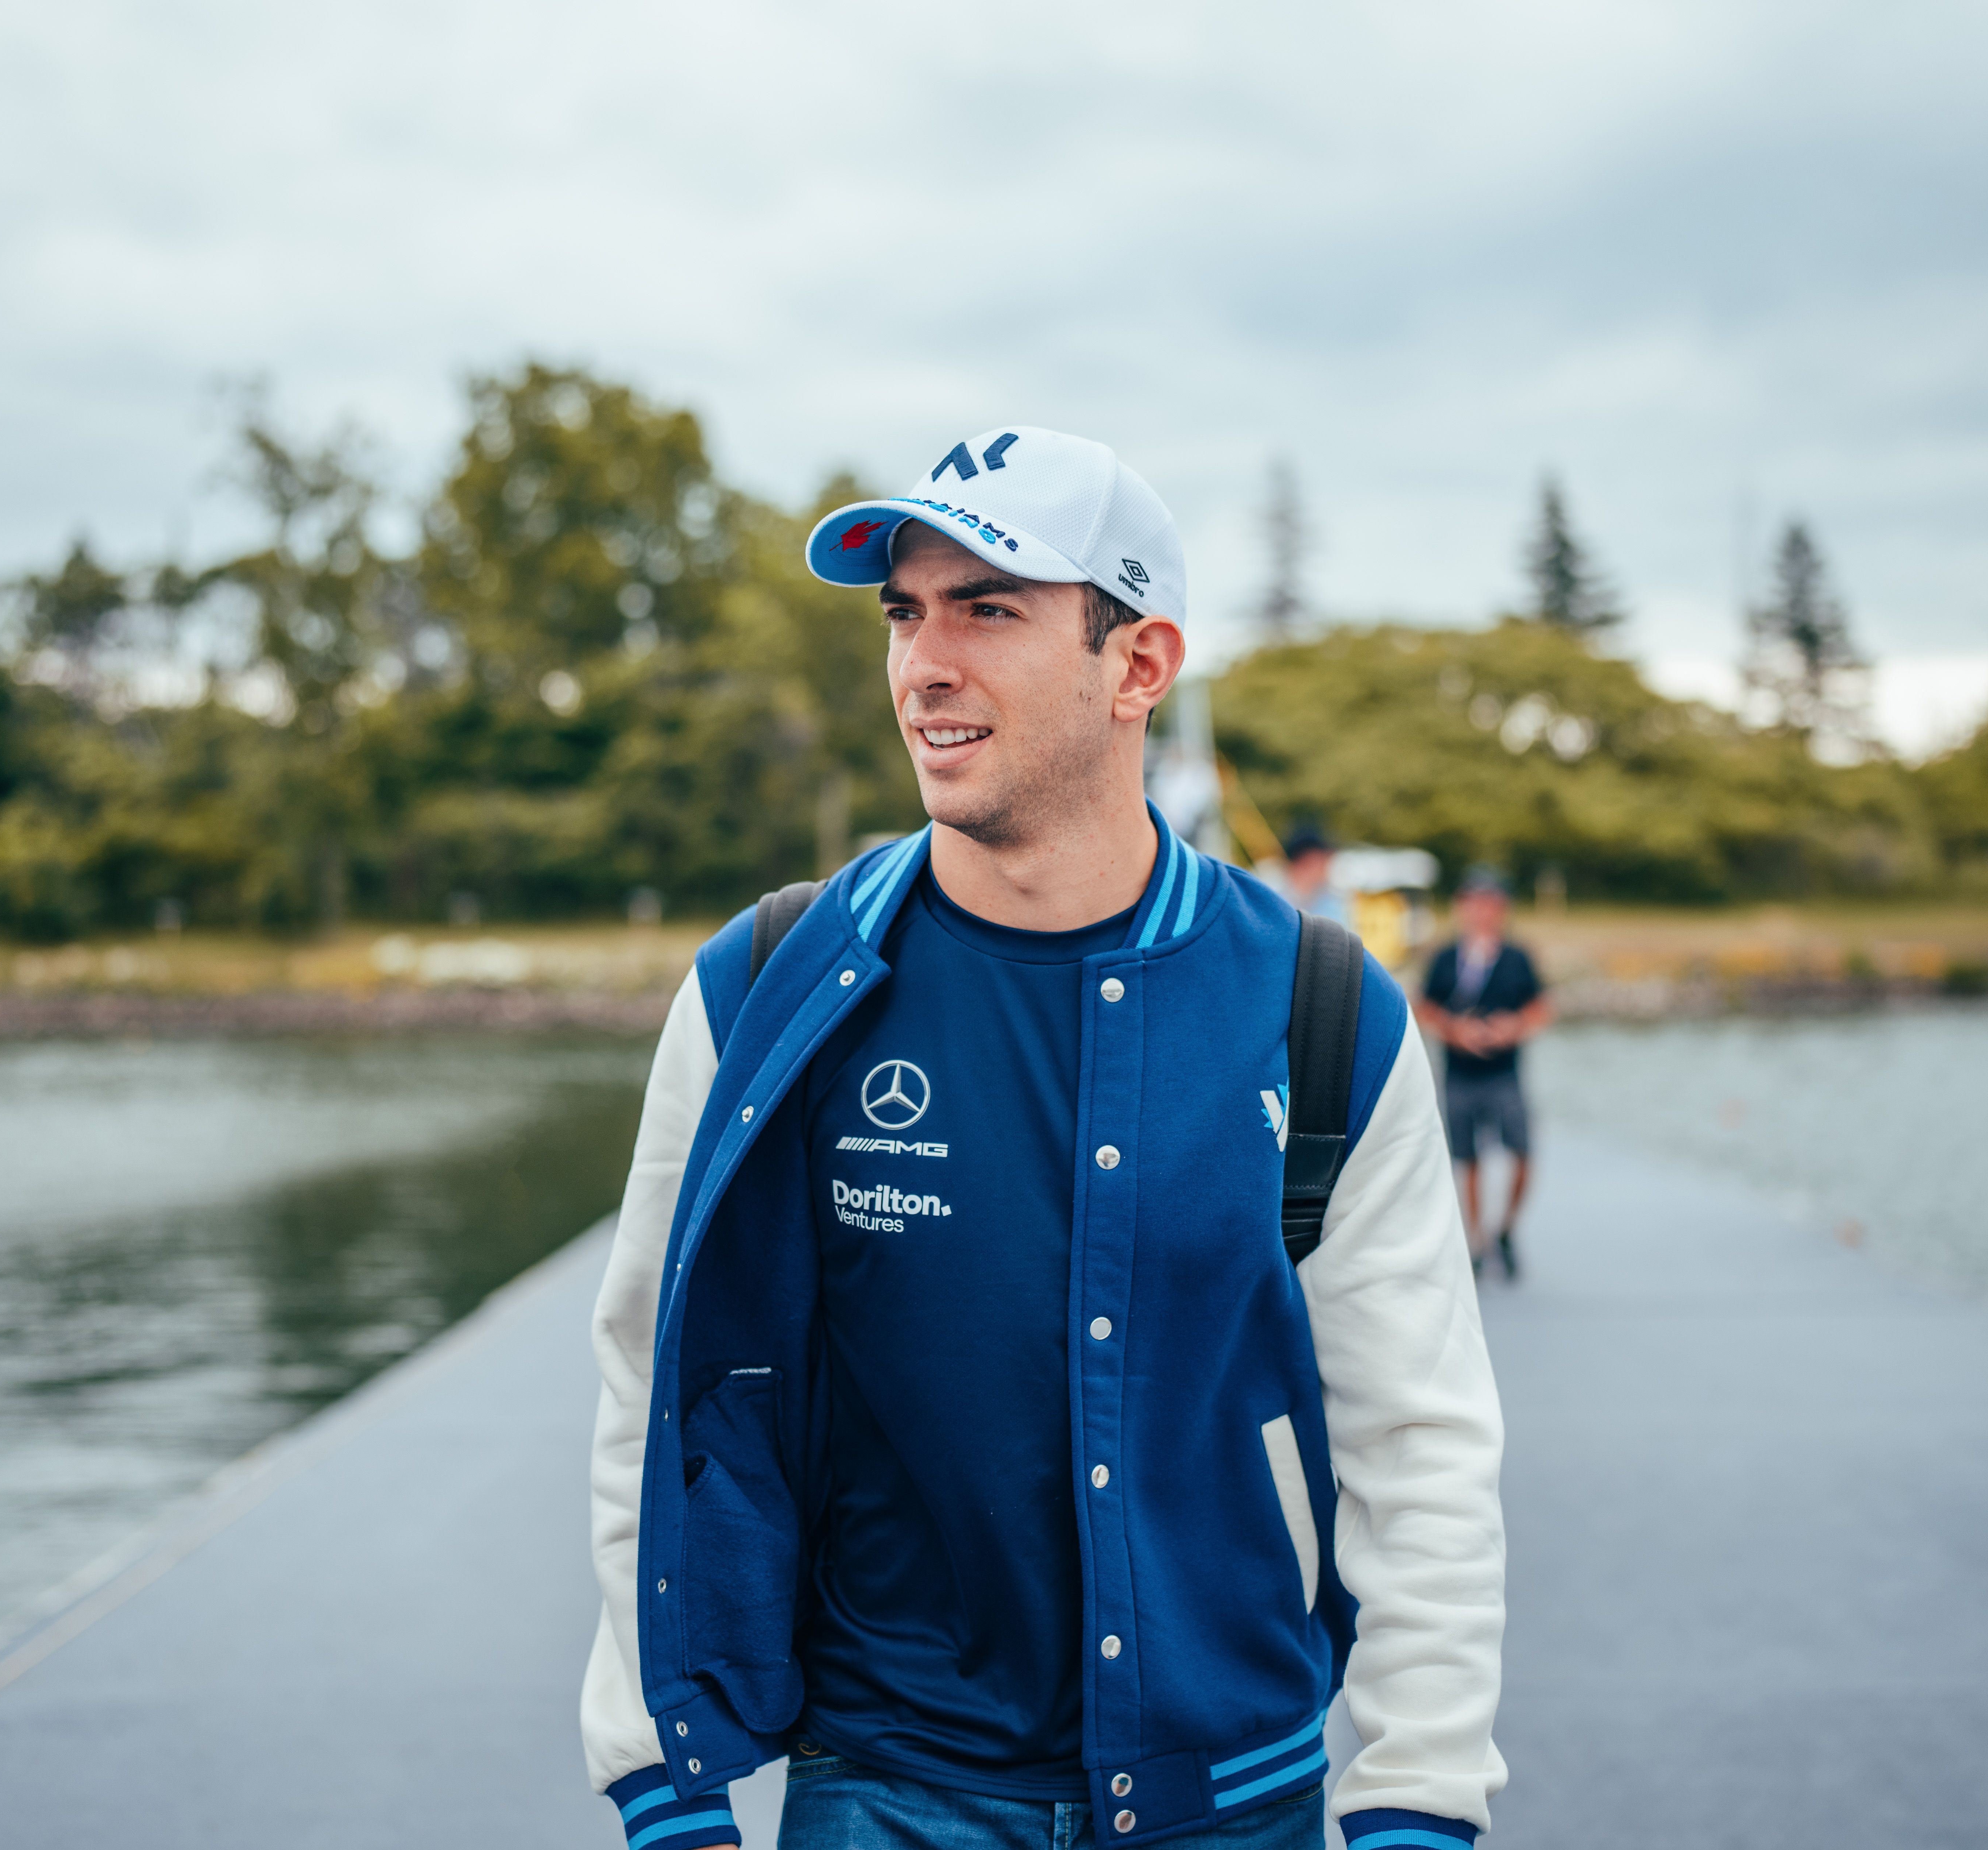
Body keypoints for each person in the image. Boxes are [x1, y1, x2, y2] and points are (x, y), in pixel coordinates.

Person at [579, 427, 1505, 1850]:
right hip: (884, 1788)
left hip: (1235, 1792)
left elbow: (1418, 1435)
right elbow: (654, 1373)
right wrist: (662, 1778)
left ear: (1138, 665)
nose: (923, 662)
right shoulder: (765, 986)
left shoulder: (1319, 1009)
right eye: (904, 611)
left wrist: (1419, 1796)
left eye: (988, 607)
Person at [1410, 867, 1550, 1279]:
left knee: (1522, 1152)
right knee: (1468, 1158)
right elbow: (1425, 1006)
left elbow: (1541, 1007)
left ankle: (1505, 1227)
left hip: (1504, 1072)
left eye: (1490, 903)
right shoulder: (1445, 957)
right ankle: (1476, 1239)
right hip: (1460, 1073)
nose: (1482, 911)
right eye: (1474, 902)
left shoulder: (1517, 957)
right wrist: (1455, 1031)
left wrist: (1513, 1028)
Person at [1271, 821, 1350, 926]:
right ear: (1307, 862)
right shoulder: (1276, 898)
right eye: (1323, 861)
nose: (1326, 868)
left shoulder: (1330, 899)